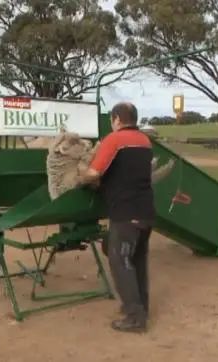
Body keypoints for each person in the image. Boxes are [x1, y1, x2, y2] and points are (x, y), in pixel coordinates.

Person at [78, 102, 154, 333]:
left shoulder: (115, 140)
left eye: (112, 120)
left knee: (120, 261)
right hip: (146, 211)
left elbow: (94, 173)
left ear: (117, 119)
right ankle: (141, 307)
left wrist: (79, 177)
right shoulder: (144, 141)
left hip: (125, 213)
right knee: (138, 260)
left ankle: (134, 318)